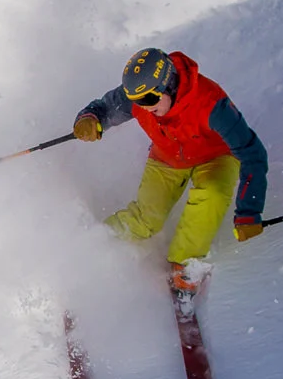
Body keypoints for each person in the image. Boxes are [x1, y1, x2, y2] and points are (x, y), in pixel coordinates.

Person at [72, 48, 268, 293]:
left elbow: (253, 152)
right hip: (166, 157)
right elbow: (103, 108)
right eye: (136, 101)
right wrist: (90, 119)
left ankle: (184, 265)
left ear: (169, 86)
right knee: (146, 218)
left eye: (148, 101)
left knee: (212, 194)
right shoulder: (140, 98)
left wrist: (250, 209)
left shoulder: (210, 103)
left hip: (214, 157)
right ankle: (93, 245)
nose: (143, 108)